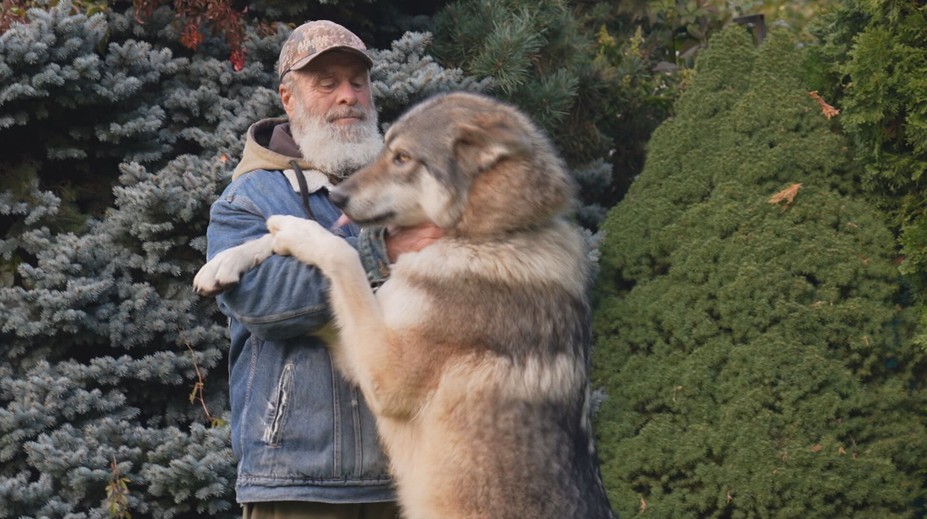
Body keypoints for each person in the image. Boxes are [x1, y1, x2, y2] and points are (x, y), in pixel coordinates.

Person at [203, 20, 441, 519]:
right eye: (326, 82)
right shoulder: (248, 198)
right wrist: (386, 254)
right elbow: (268, 305)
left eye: (357, 82)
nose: (347, 96)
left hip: (413, 473)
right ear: (289, 99)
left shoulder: (411, 189)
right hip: (298, 482)